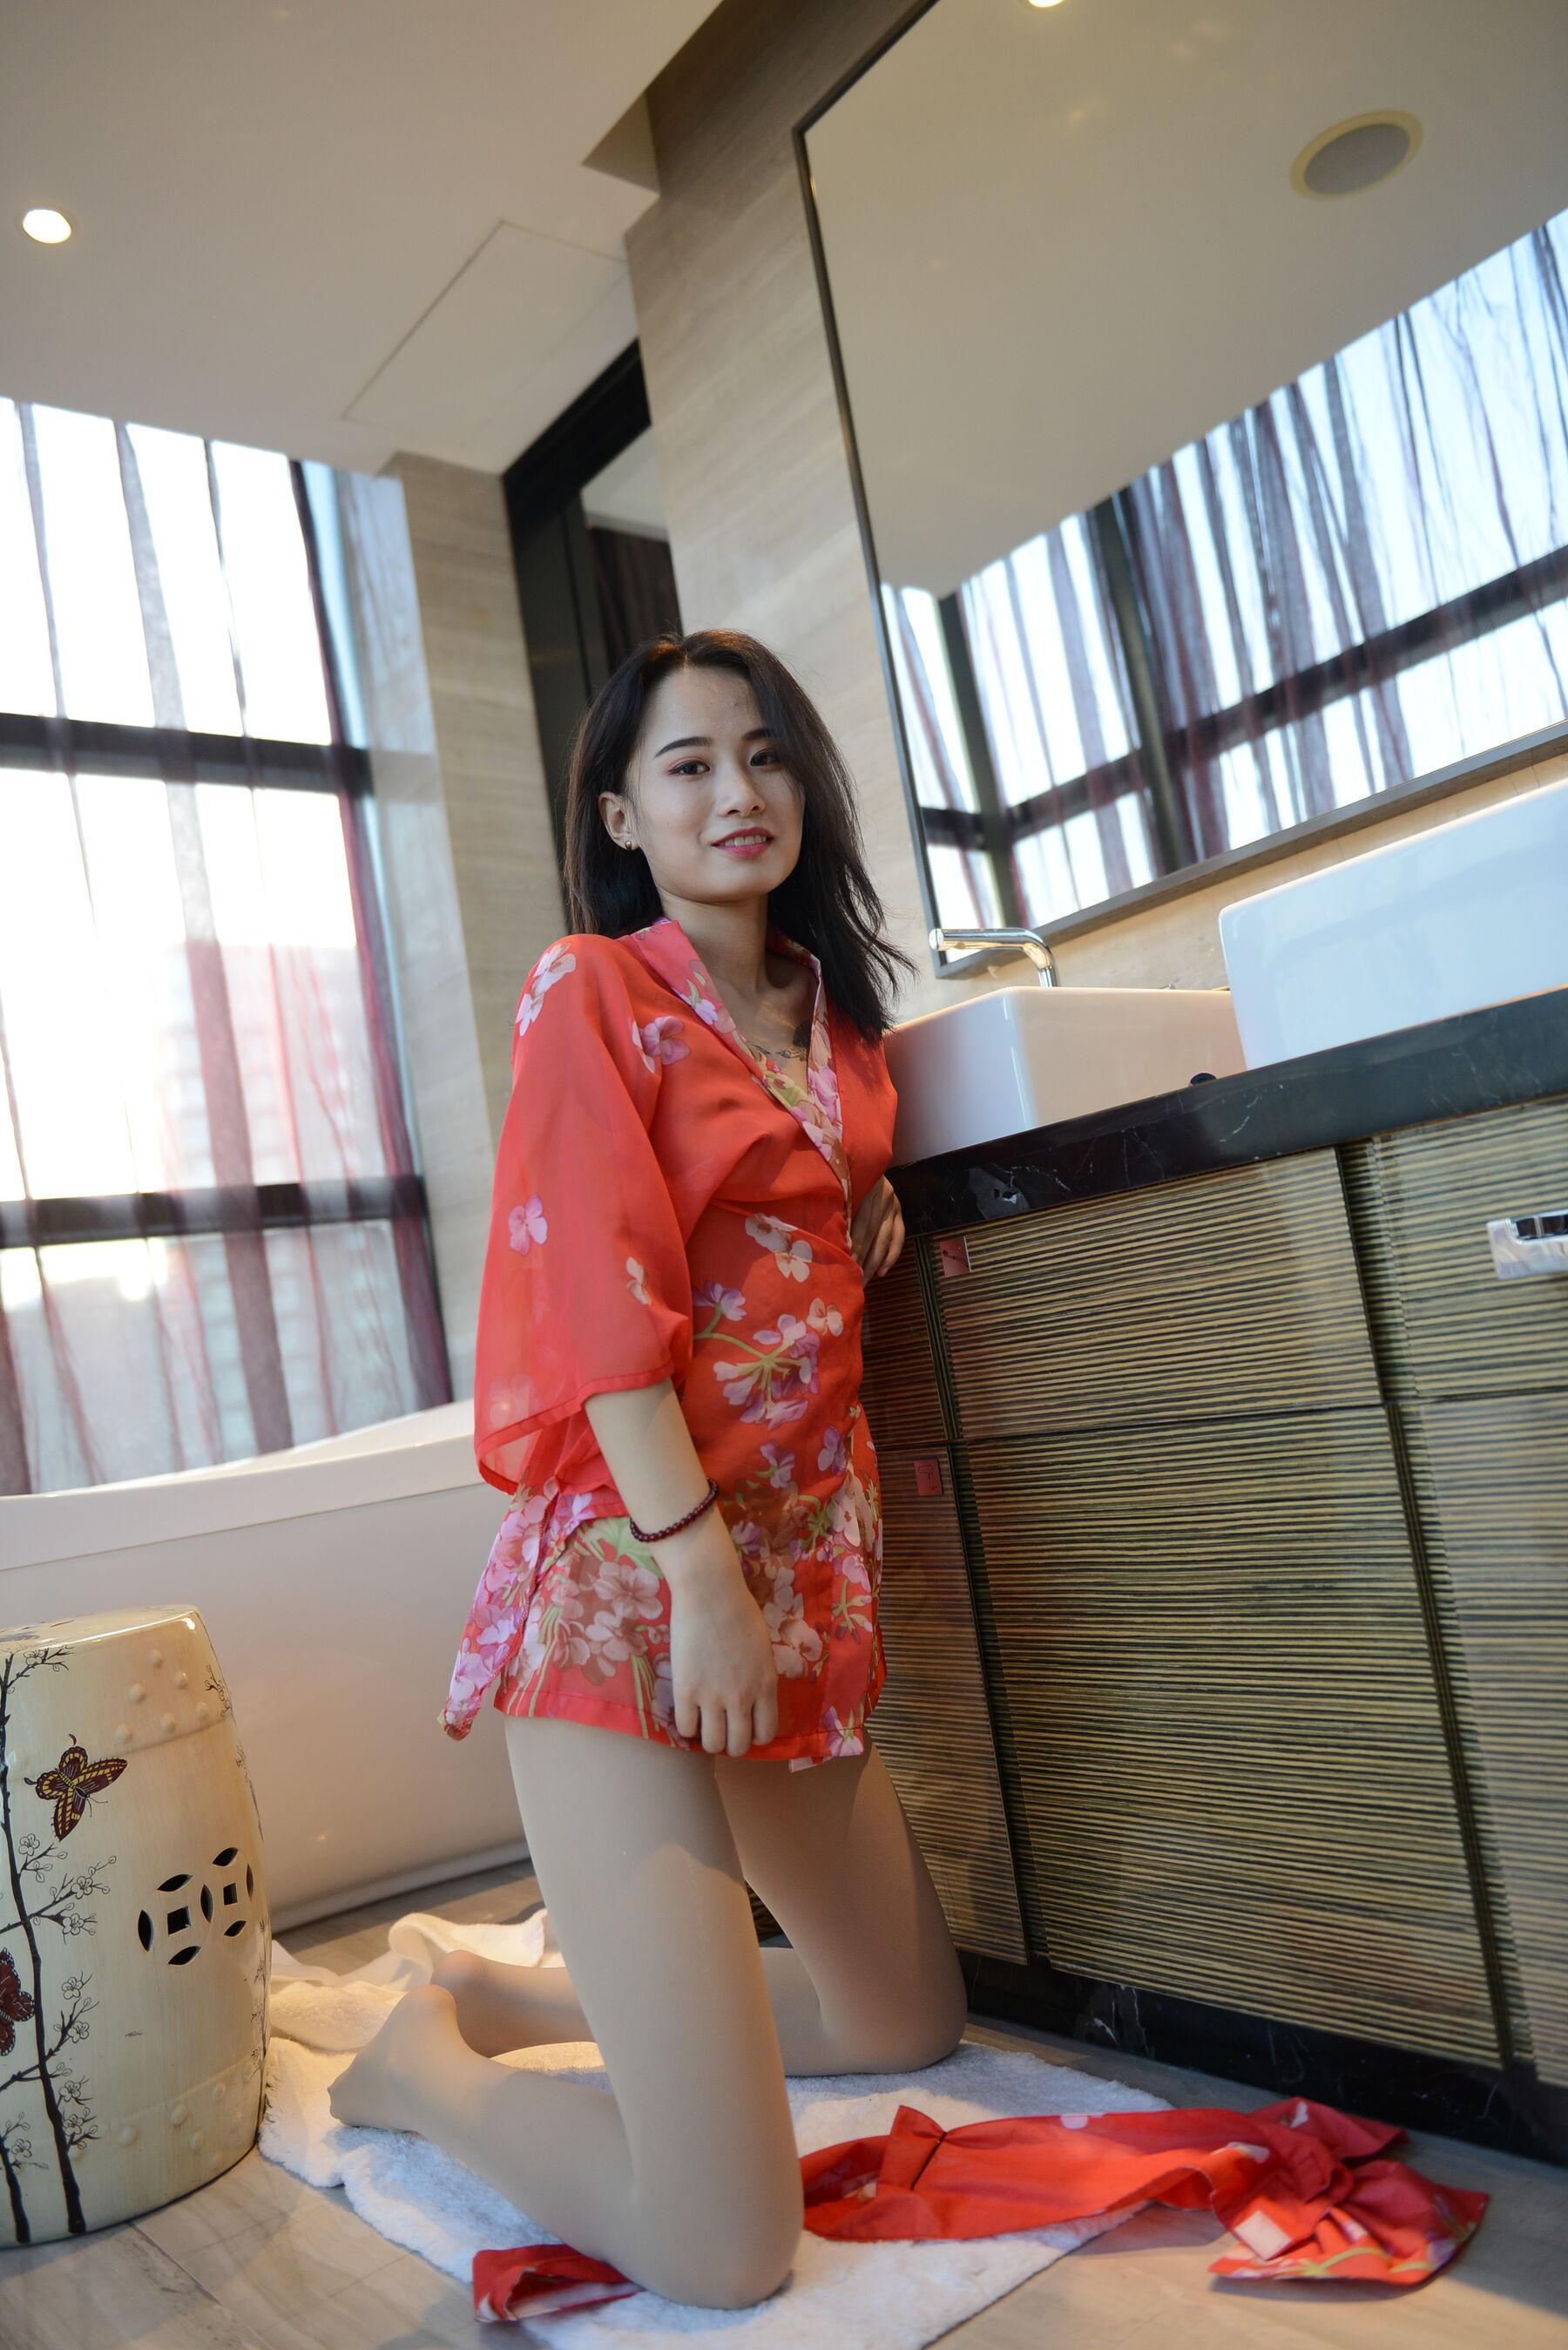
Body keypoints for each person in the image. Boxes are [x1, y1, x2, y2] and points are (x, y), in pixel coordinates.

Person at [328, 628, 969, 2310]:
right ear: (622, 813)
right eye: (688, 766)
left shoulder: (835, 1023)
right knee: (723, 2245)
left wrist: (865, 1201)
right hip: (639, 1584)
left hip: (794, 1578)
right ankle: (416, 2066)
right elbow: (598, 1304)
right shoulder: (593, 987)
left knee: (906, 2017)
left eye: (765, 755)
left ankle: (521, 1997)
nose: (737, 791)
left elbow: (787, 1190)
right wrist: (699, 1577)